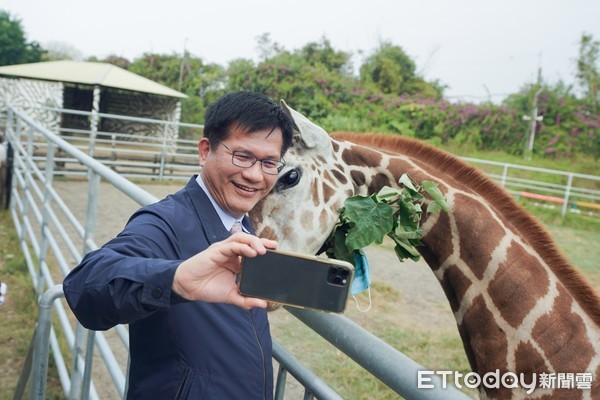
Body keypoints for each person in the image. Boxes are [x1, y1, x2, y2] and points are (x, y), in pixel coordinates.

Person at [63, 91, 295, 399]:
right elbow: (86, 286)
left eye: (269, 163)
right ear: (204, 150)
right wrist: (175, 279)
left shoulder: (241, 222)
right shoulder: (165, 222)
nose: (254, 175)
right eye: (242, 156)